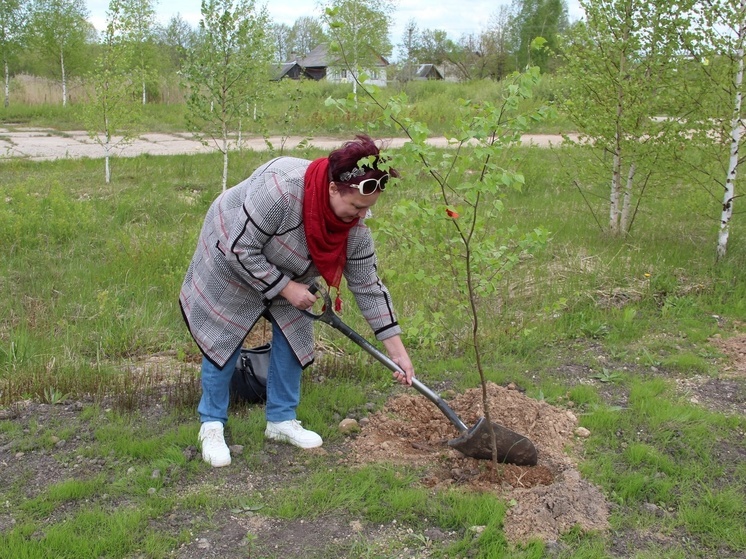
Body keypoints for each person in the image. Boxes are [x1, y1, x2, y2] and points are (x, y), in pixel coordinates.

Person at [179, 135, 415, 467]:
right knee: (225, 332)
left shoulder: (354, 229)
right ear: (334, 189)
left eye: (368, 208)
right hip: (231, 246)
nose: (362, 216)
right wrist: (286, 288)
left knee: (295, 329)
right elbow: (240, 249)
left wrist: (399, 354)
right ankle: (212, 424)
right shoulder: (283, 191)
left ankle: (281, 420)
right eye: (357, 207)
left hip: (290, 262)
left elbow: (368, 287)